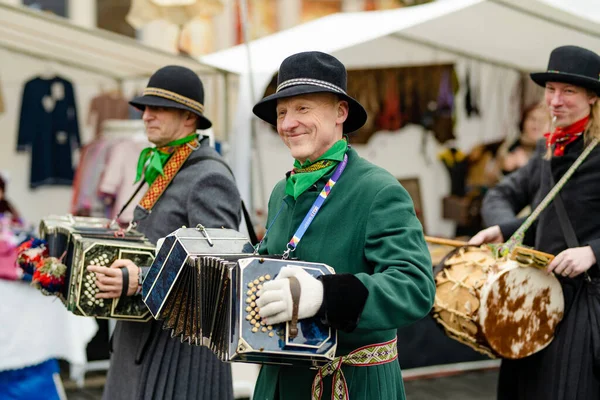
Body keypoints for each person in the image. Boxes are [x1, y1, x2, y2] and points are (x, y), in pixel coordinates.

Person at [250, 51, 435, 400]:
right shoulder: (282, 190)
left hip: (350, 385)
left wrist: (326, 295)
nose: (288, 124)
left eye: (302, 108)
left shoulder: (377, 189)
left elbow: (416, 287)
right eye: (282, 113)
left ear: (340, 112)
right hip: (277, 383)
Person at [87, 65, 241, 400]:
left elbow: (217, 272)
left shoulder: (208, 176)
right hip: (139, 338)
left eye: (158, 108)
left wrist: (140, 280)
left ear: (188, 118)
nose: (146, 116)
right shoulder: (166, 163)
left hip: (182, 351)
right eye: (145, 108)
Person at [469, 45, 600, 399]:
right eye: (551, 90)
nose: (555, 100)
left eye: (568, 91)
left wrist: (593, 251)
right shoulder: (549, 148)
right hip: (536, 296)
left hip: (585, 303)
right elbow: (500, 195)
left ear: (592, 97)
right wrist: (502, 227)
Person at [494, 102, 550, 178]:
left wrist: (526, 166)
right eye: (532, 119)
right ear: (524, 122)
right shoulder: (510, 145)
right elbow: (492, 177)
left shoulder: (552, 149)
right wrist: (504, 167)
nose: (536, 125)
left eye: (542, 121)